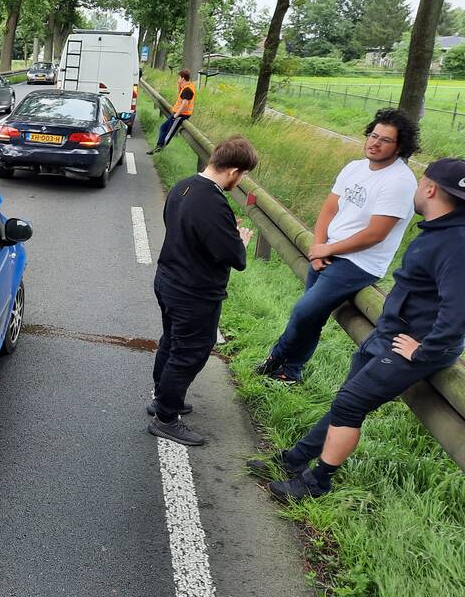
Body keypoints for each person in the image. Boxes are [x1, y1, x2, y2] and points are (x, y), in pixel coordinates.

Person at [255, 159, 465, 499]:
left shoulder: (456, 242)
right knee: (346, 401)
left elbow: (458, 311)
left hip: (412, 345)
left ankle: (317, 481)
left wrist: (425, 350)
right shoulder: (441, 230)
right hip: (391, 332)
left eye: (422, 179)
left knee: (351, 403)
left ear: (430, 189)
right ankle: (295, 460)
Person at [255, 108, 420, 384]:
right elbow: (329, 209)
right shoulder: (354, 167)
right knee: (312, 316)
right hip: (329, 250)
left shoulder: (400, 182)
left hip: (360, 263)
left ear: (400, 146)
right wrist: (318, 245)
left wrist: (328, 250)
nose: (374, 143)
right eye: (373, 135)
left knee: (304, 311)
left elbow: (375, 234)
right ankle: (290, 371)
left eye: (385, 140)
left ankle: (277, 356)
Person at [147, 136, 258, 446]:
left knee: (172, 340)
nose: (242, 180)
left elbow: (182, 227)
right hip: (193, 291)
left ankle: (162, 398)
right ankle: (166, 418)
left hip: (168, 278)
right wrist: (240, 240)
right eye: (244, 174)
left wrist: (225, 233)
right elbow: (233, 257)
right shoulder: (213, 202)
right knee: (190, 352)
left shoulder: (184, 186)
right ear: (234, 171)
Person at [147, 69, 195, 155]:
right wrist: (178, 84)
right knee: (163, 127)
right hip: (178, 114)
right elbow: (179, 95)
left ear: (183, 78)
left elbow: (185, 104)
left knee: (169, 133)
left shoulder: (187, 89)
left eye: (179, 78)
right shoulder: (185, 87)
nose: (178, 79)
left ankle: (159, 149)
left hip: (181, 115)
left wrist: (176, 115)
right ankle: (158, 147)